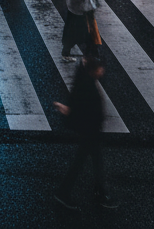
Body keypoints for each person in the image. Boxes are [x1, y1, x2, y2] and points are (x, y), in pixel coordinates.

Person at [52, 57, 117, 211]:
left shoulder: (85, 78)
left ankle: (98, 192)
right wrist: (67, 109)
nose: (103, 71)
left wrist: (66, 108)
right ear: (93, 70)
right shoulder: (87, 85)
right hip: (91, 131)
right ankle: (68, 193)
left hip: (90, 130)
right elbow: (80, 105)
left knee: (90, 163)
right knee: (83, 164)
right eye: (100, 68)